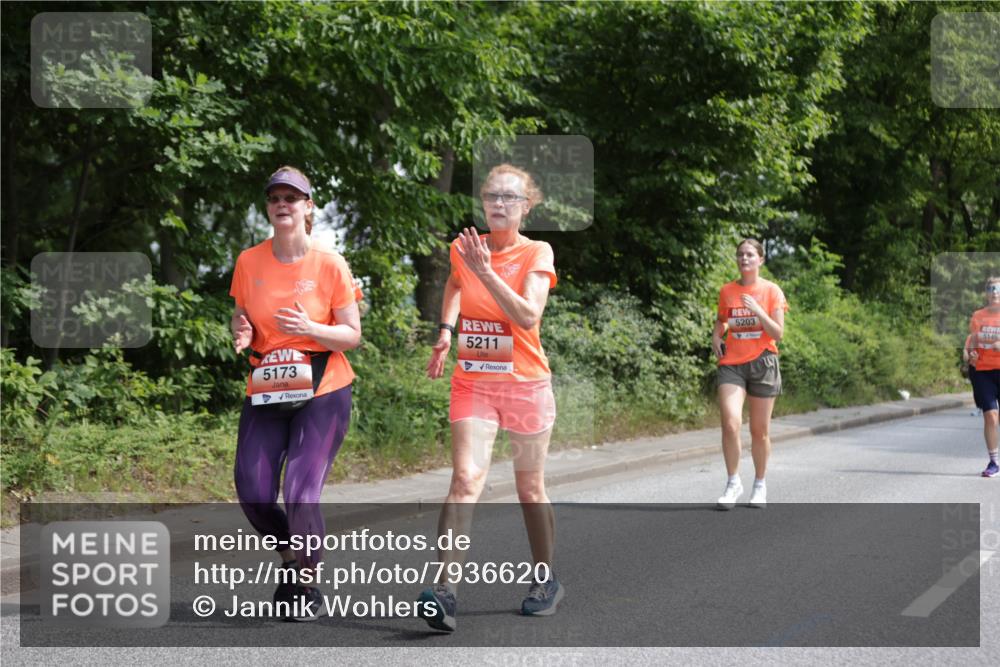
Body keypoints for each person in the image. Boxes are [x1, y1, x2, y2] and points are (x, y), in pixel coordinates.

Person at [417, 164, 562, 631]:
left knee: (529, 489)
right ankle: (444, 591)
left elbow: (527, 314)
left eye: (509, 197)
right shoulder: (466, 247)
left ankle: (545, 580)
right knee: (464, 478)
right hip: (474, 380)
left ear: (526, 206)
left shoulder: (537, 251)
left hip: (525, 385)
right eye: (491, 196)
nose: (499, 204)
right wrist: (446, 329)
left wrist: (487, 271)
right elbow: (456, 283)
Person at [229, 166, 362, 621]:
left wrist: (311, 329)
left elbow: (352, 335)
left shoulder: (330, 264)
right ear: (269, 208)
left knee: (301, 492)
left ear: (308, 208)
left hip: (324, 387)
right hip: (267, 386)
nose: (282, 204)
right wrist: (242, 331)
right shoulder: (249, 261)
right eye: (275, 198)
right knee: (253, 490)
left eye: (292, 197)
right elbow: (241, 315)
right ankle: (290, 557)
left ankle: (306, 579)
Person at [711, 238, 788, 509]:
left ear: (760, 260)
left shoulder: (771, 291)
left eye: (750, 255)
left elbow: (777, 333)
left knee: (759, 432)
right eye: (741, 255)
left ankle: (759, 484)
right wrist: (715, 336)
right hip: (732, 363)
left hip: (763, 363)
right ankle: (733, 483)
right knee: (731, 423)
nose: (745, 259)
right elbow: (722, 320)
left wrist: (757, 310)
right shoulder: (727, 291)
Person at [965, 276, 1000, 478]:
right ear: (986, 292)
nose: (994, 292)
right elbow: (973, 341)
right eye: (991, 289)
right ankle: (994, 462)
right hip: (983, 371)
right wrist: (972, 353)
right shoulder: (978, 316)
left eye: (997, 289)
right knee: (990, 415)